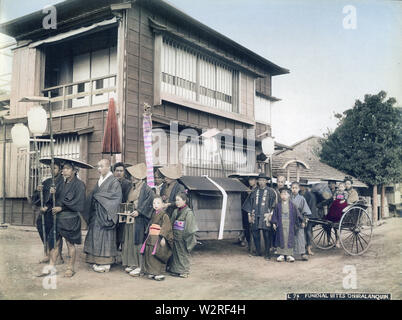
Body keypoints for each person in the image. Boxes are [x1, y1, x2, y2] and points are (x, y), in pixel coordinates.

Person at [41, 160, 86, 278]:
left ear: (74, 170)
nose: (64, 171)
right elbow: (53, 200)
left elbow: (79, 203)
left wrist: (62, 207)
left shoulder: (79, 185)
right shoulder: (60, 183)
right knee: (55, 243)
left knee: (70, 244)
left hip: (70, 218)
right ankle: (51, 266)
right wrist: (52, 193)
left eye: (67, 169)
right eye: (63, 169)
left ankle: (70, 268)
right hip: (58, 219)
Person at [84, 159, 122, 273]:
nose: (99, 169)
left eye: (101, 166)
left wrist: (98, 197)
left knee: (105, 238)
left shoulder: (114, 181)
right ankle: (95, 259)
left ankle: (106, 263)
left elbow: (116, 198)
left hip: (106, 214)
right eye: (98, 167)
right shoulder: (100, 180)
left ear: (108, 167)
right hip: (97, 214)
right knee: (95, 236)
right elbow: (94, 194)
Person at [122, 163, 154, 277]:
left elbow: (149, 204)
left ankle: (140, 265)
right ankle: (132, 263)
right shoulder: (132, 187)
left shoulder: (148, 190)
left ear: (140, 177)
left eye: (134, 176)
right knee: (130, 240)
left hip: (140, 219)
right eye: (131, 176)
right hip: (130, 218)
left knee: (139, 241)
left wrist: (139, 211)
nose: (132, 178)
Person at [33, 161, 64, 264]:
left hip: (57, 211)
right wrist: (38, 190)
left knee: (54, 233)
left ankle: (58, 255)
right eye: (50, 168)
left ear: (60, 169)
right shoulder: (46, 181)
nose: (52, 170)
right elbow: (37, 199)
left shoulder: (63, 182)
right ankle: (47, 254)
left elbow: (64, 198)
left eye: (54, 168)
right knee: (41, 226)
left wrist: (55, 194)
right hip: (45, 211)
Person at [242, 173, 277, 260]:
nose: (261, 182)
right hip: (255, 215)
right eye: (260, 180)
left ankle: (267, 253)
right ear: (257, 181)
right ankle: (258, 251)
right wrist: (249, 215)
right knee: (255, 234)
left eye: (263, 180)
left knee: (267, 234)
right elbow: (249, 204)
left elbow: (274, 205)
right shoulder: (254, 192)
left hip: (266, 216)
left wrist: (271, 215)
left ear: (266, 181)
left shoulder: (271, 191)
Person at [140, 197, 173, 281]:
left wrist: (163, 238)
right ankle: (152, 271)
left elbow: (166, 227)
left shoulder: (164, 215)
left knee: (158, 253)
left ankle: (159, 273)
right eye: (154, 203)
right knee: (150, 253)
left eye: (158, 203)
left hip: (159, 236)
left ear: (162, 205)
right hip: (152, 236)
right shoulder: (153, 214)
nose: (156, 205)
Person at [168, 192, 198, 278]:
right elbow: (171, 222)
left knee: (183, 254)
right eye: (176, 200)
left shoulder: (189, 212)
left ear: (184, 201)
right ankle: (175, 270)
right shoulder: (175, 211)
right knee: (175, 254)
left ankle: (184, 271)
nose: (176, 202)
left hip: (183, 236)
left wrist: (184, 236)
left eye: (178, 200)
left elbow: (189, 227)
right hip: (175, 234)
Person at [271, 187, 303, 262]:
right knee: (280, 238)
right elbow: (274, 215)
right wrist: (274, 223)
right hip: (280, 224)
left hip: (290, 224)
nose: (283, 196)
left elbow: (298, 214)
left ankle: (289, 255)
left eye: (285, 194)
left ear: (289, 195)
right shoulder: (278, 205)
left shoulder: (293, 205)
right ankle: (281, 254)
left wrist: (302, 220)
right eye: (282, 194)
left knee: (289, 239)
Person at [113, 162, 132, 251]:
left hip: (123, 211)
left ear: (124, 172)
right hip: (112, 211)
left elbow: (128, 198)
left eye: (121, 171)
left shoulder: (128, 183)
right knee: (113, 233)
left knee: (122, 233)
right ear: (113, 172)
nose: (119, 173)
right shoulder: (110, 182)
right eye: (117, 171)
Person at [290, 182, 311, 261]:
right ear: (291, 189)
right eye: (293, 188)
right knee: (291, 236)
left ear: (299, 189)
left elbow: (305, 210)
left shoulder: (302, 198)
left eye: (296, 188)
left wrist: (304, 221)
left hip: (299, 219)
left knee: (300, 236)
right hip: (290, 220)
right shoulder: (289, 198)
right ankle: (290, 253)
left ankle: (303, 253)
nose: (294, 189)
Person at [299, 180, 319, 256]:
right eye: (300, 186)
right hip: (301, 215)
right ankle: (302, 247)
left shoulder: (310, 195)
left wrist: (306, 216)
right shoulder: (299, 194)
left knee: (308, 231)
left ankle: (309, 248)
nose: (301, 187)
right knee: (301, 232)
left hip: (309, 215)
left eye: (303, 186)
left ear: (305, 187)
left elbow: (311, 207)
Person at [238, 175, 258, 251]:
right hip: (246, 210)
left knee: (254, 229)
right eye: (249, 180)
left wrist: (251, 194)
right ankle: (249, 244)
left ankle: (255, 246)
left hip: (254, 211)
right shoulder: (247, 189)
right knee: (246, 228)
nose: (250, 181)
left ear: (256, 181)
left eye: (252, 180)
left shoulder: (258, 190)